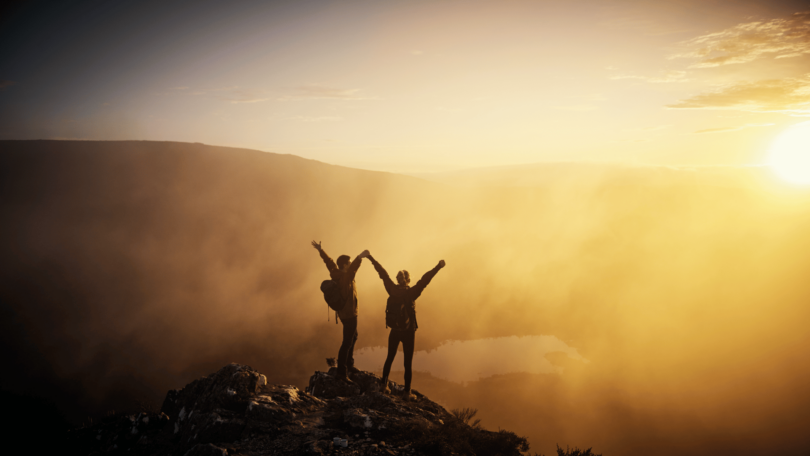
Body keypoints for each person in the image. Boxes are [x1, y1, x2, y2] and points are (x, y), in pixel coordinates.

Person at [366, 253, 445, 400]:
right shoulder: (411, 293)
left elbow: (382, 273)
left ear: (397, 280)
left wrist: (370, 258)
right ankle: (407, 393)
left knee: (389, 357)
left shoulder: (391, 289)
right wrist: (438, 267)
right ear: (408, 280)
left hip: (394, 330)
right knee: (407, 363)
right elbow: (425, 280)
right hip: (408, 332)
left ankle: (384, 385)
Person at [312, 240, 369, 384]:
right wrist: (360, 256)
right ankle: (342, 372)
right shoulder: (346, 276)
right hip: (350, 314)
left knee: (353, 337)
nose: (350, 264)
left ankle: (349, 365)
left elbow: (329, 262)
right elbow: (354, 267)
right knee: (347, 342)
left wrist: (320, 250)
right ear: (345, 265)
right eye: (348, 263)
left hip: (344, 314)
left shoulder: (336, 273)